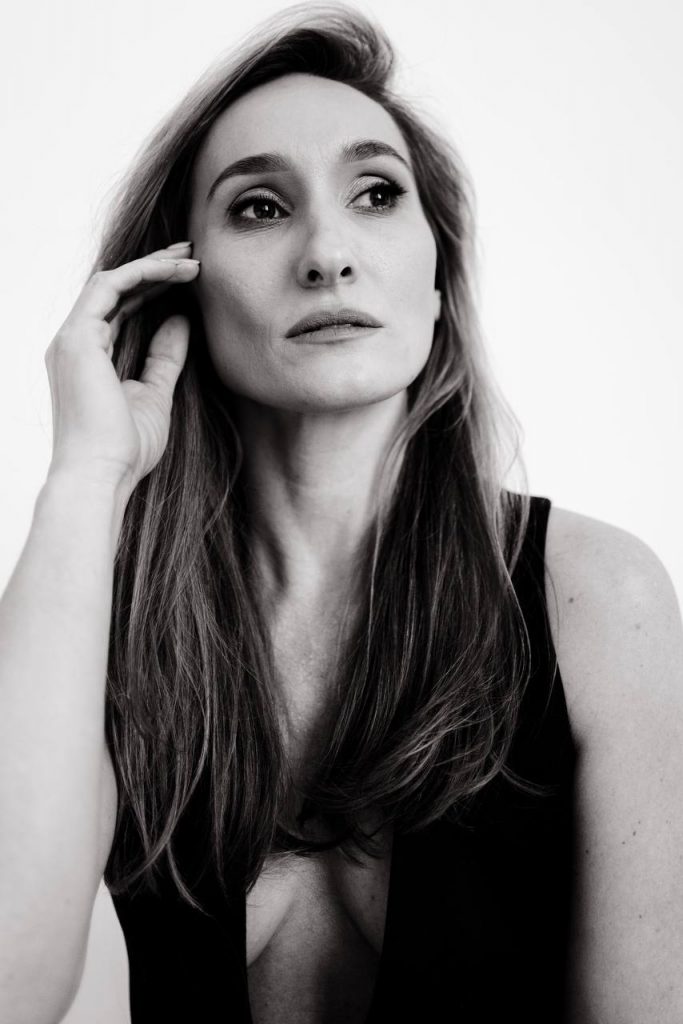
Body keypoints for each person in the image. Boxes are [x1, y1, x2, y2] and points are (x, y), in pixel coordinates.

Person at [1, 4, 682, 1023]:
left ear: (438, 277)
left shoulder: (596, 600)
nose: (327, 252)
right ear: (179, 288)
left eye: (375, 193)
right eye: (259, 208)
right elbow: (10, 979)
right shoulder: (89, 619)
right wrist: (85, 474)